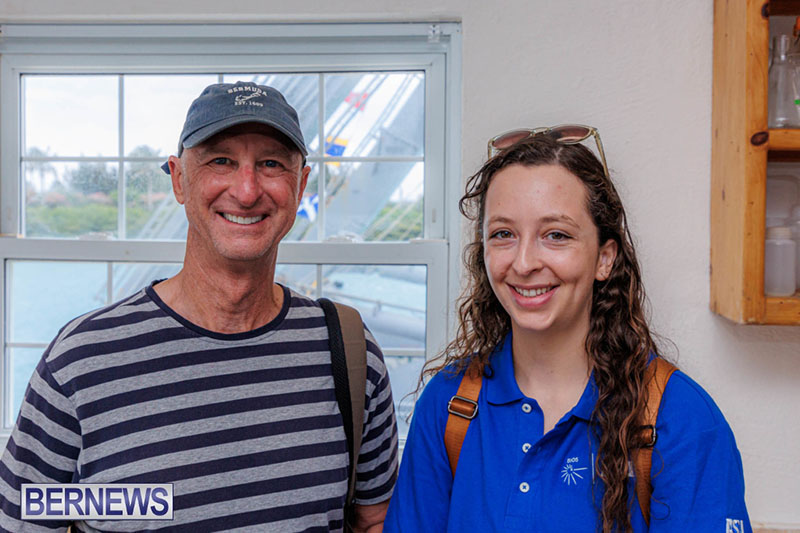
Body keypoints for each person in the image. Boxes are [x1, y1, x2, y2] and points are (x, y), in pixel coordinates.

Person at [0, 81, 398, 532]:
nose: (246, 191)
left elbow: (374, 520)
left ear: (301, 184)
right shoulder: (83, 360)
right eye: (220, 161)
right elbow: (26, 519)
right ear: (179, 179)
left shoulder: (348, 352)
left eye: (271, 164)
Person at [384, 127, 751, 532]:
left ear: (604, 259)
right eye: (503, 234)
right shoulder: (449, 405)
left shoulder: (680, 418)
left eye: (556, 235)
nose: (524, 263)